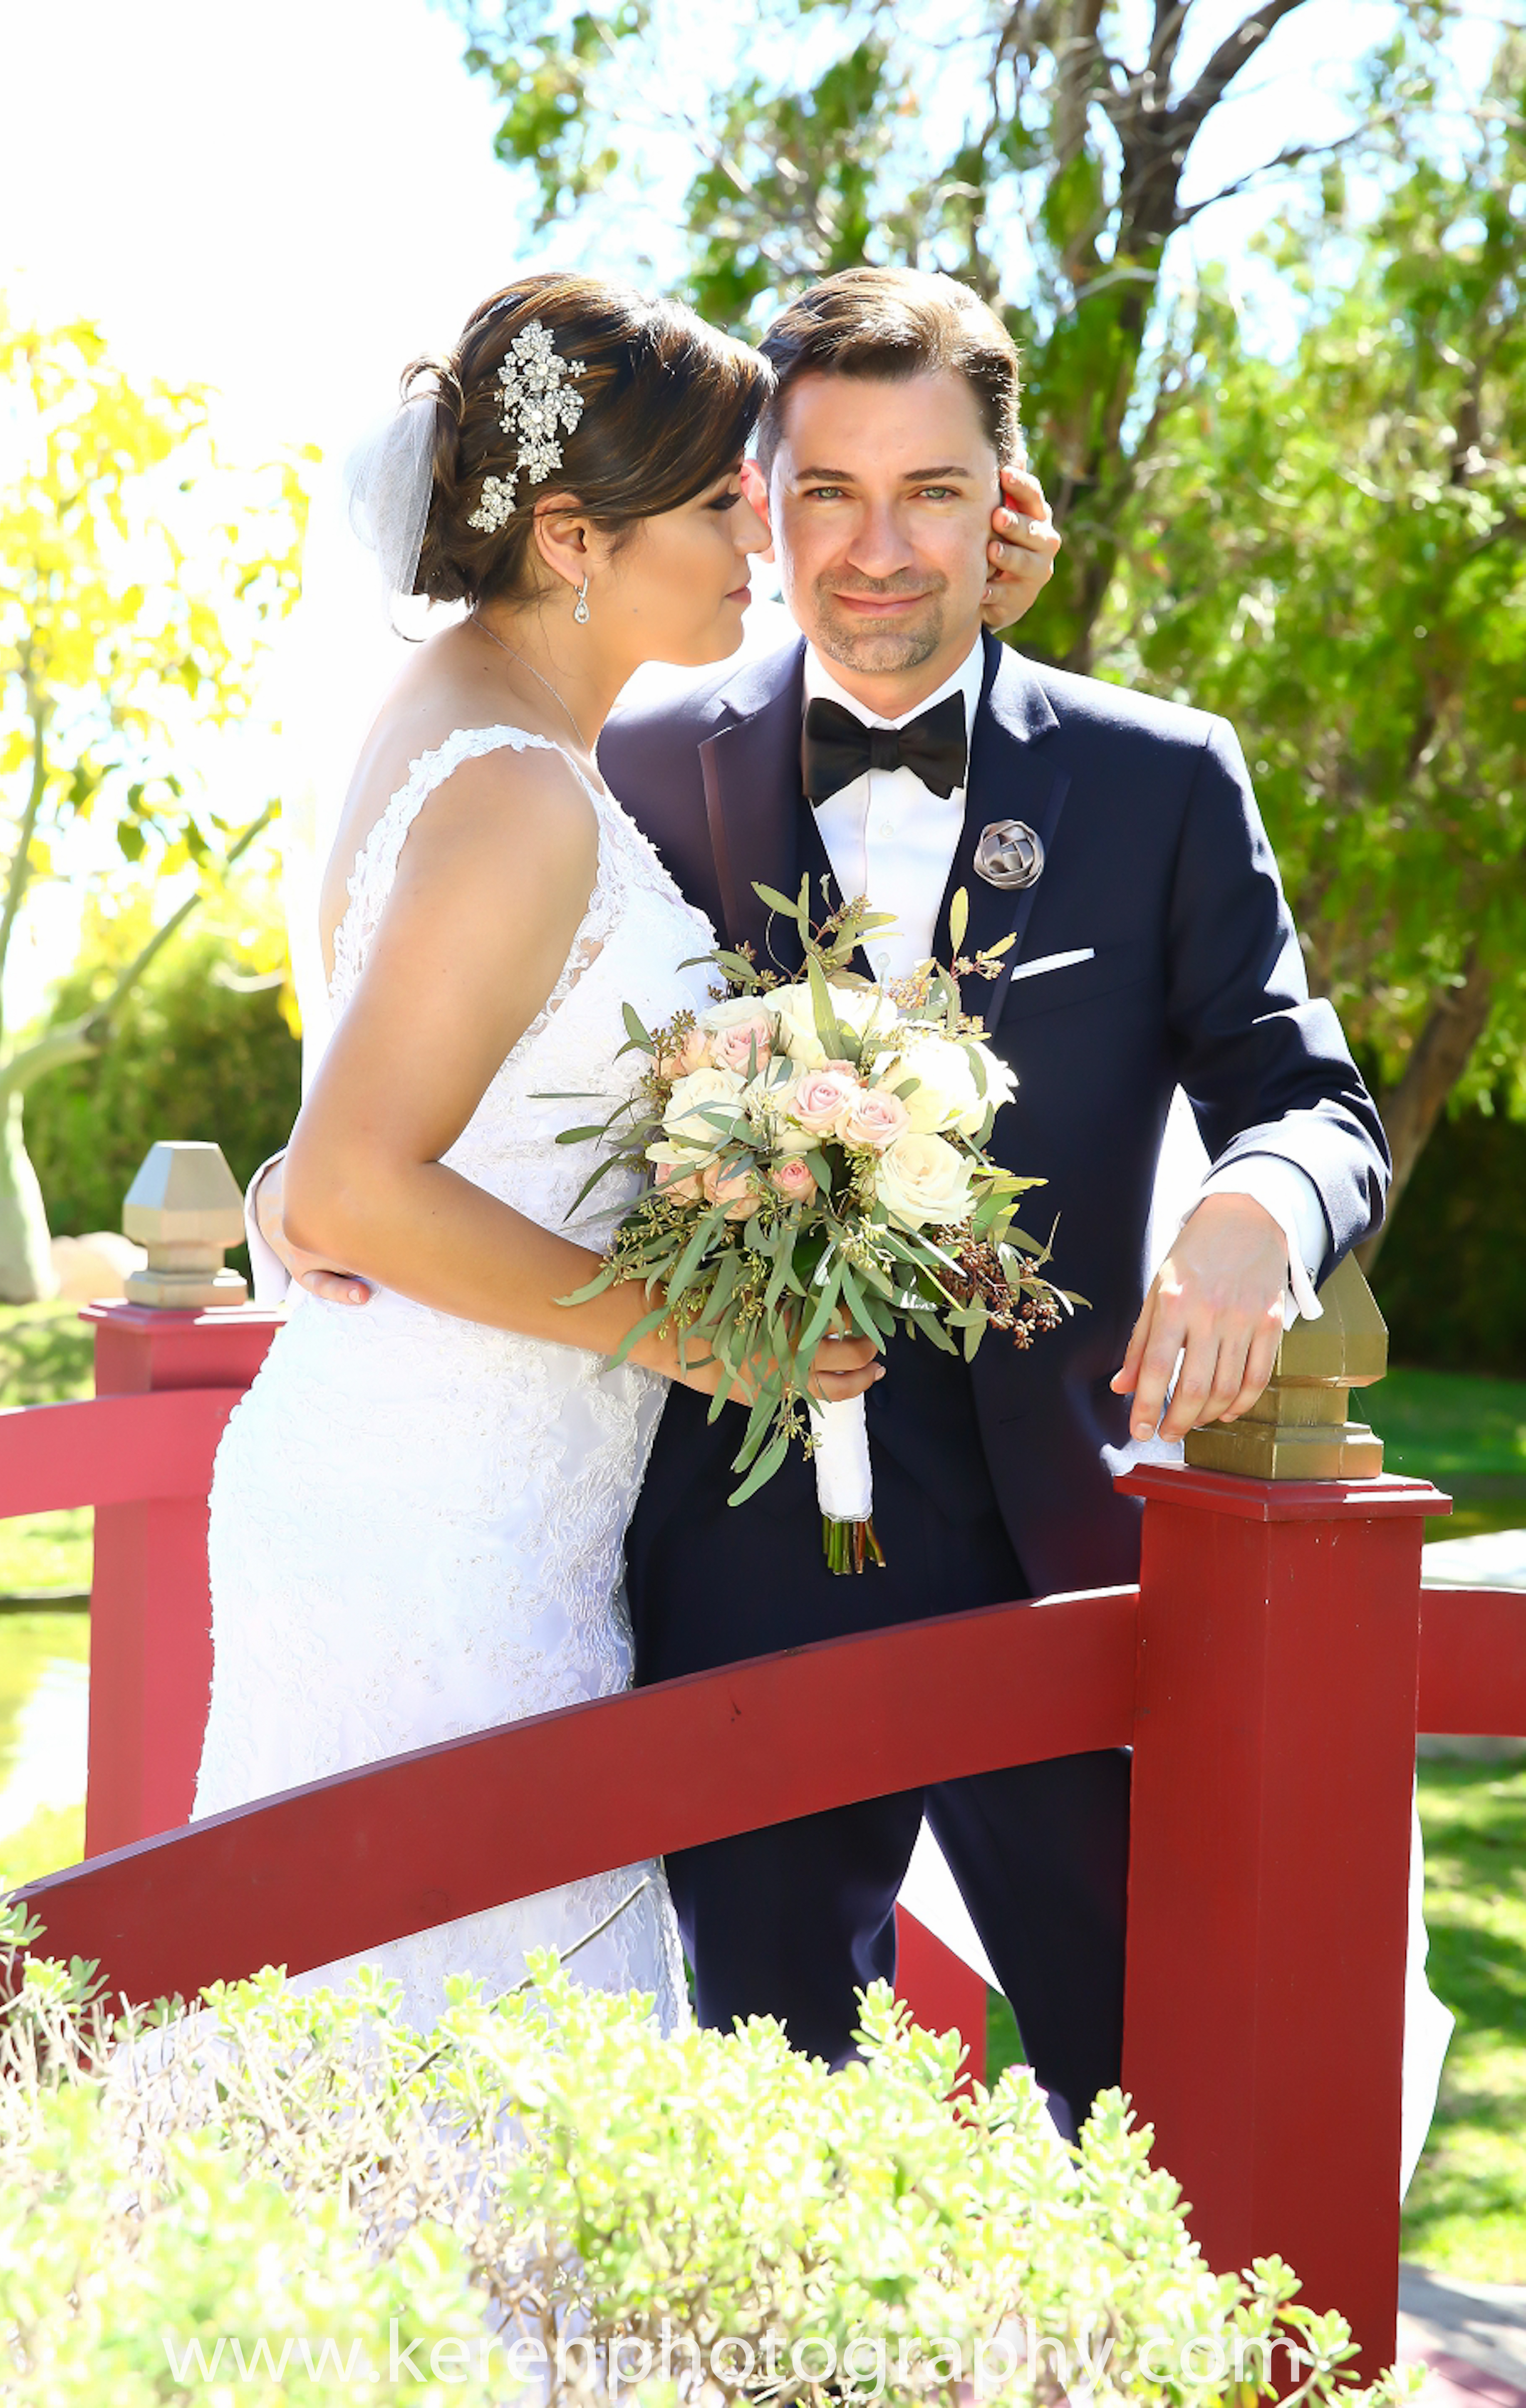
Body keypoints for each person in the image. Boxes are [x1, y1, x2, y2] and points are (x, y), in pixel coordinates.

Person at [195, 268, 1054, 2034]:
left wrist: (969, 600)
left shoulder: (475, 721)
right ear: (575, 536)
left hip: (467, 1480)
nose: (762, 528)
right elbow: (361, 1183)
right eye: (725, 498)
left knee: (410, 2065)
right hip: (444, 1528)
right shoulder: (515, 790)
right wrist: (703, 1335)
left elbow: (354, 1139)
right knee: (459, 2060)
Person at [591, 267, 1391, 2135]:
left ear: (1003, 498)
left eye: (930, 489)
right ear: (756, 505)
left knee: (1162, 2096)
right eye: (828, 493)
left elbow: (1309, 1092)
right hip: (738, 1558)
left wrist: (1255, 1210)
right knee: (776, 2135)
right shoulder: (633, 765)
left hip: (1074, 1556)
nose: (878, 550)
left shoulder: (1159, 777)